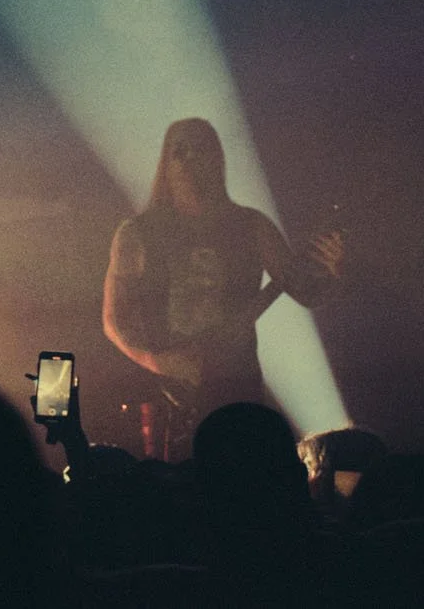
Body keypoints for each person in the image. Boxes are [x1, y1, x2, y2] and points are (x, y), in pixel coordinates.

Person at [102, 118, 341, 440]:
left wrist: (333, 269)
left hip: (237, 389)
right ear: (165, 163)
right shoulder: (138, 232)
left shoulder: (251, 226)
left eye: (199, 149)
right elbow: (114, 319)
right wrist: (162, 363)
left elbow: (307, 292)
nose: (189, 158)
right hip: (164, 399)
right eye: (179, 151)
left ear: (216, 159)